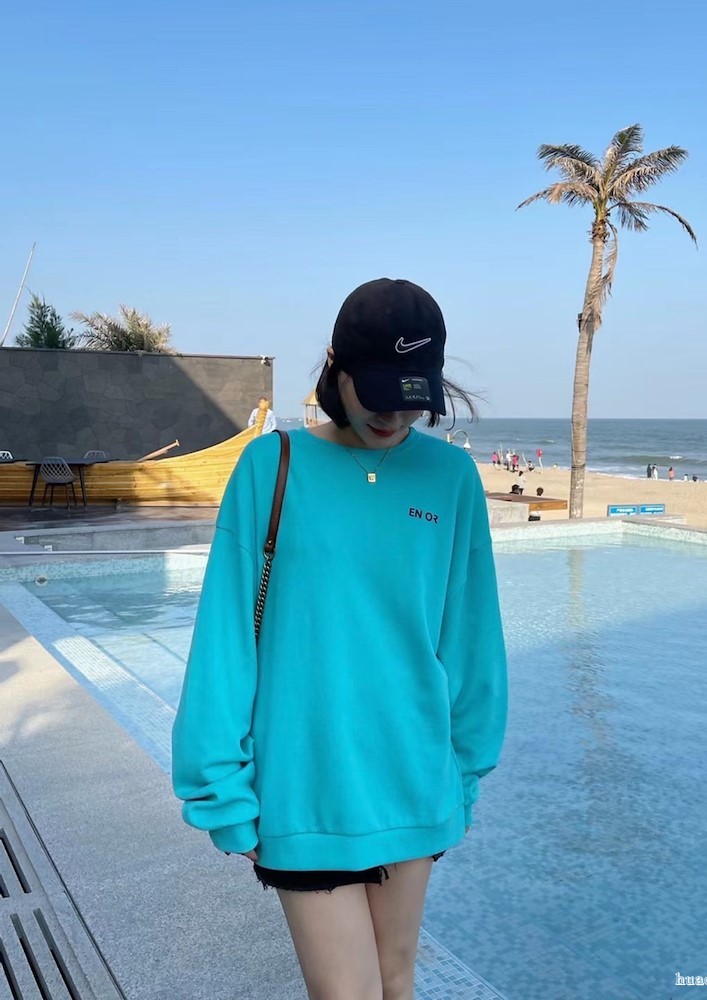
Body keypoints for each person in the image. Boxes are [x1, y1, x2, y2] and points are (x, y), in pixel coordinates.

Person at [171, 278, 508, 999]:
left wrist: (464, 772)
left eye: (411, 398)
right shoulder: (270, 466)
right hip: (305, 784)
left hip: (414, 778)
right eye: (376, 393)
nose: (393, 415)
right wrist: (221, 788)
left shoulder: (451, 476)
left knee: (396, 980)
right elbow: (225, 640)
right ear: (335, 366)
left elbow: (471, 638)